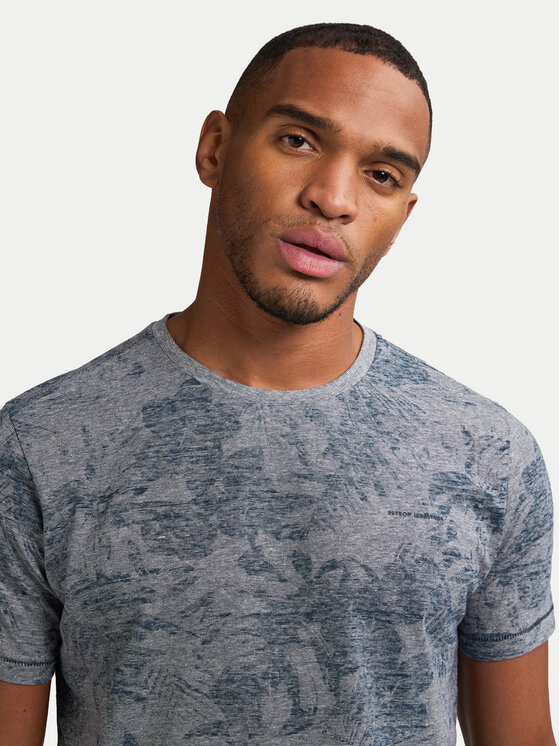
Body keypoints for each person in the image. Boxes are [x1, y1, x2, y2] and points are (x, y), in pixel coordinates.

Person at [0, 21, 555, 746]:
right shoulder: (41, 445)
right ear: (215, 148)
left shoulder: (490, 455)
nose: (333, 198)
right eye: (298, 140)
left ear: (403, 216)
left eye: (381, 175)